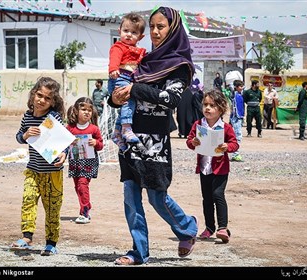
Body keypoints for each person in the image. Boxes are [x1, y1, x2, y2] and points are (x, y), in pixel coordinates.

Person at [108, 6, 198, 265]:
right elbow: (121, 93)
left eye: (162, 26)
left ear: (173, 29)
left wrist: (135, 89)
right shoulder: (142, 60)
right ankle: (139, 251)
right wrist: (115, 98)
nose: (156, 32)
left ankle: (187, 228)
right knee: (131, 196)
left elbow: (170, 99)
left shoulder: (179, 65)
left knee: (157, 196)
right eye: (153, 27)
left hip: (155, 142)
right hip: (130, 136)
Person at [12, 76, 67, 256]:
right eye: (39, 95)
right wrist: (26, 134)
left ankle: (51, 243)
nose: (42, 100)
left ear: (53, 102)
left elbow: (64, 140)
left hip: (53, 173)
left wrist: (63, 153)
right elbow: (19, 136)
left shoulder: (53, 117)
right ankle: (27, 237)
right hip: (33, 170)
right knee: (28, 201)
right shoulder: (27, 117)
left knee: (52, 209)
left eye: (47, 98)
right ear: (33, 94)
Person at [186, 89, 239, 243]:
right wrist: (193, 142)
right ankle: (209, 227)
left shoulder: (226, 127)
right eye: (205, 105)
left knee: (218, 194)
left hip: (220, 168)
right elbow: (189, 141)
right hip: (204, 168)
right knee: (207, 198)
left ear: (221, 109)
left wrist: (227, 147)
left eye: (212, 105)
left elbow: (234, 143)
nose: (207, 108)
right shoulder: (198, 125)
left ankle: (222, 228)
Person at [108, 13, 147, 150]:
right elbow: (115, 58)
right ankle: (126, 128)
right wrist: (113, 69)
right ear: (119, 31)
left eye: (134, 32)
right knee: (127, 101)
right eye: (126, 31)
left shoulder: (140, 51)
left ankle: (117, 132)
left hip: (130, 79)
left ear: (141, 36)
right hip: (119, 77)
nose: (129, 35)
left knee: (130, 104)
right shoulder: (119, 46)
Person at [66, 97, 104, 224]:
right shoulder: (70, 128)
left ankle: (85, 212)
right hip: (75, 161)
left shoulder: (94, 129)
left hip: (89, 161)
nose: (87, 112)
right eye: (83, 109)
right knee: (77, 186)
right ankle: (86, 205)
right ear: (76, 110)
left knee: (83, 185)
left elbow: (101, 145)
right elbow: (64, 144)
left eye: (89, 110)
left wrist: (95, 142)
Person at [229, 80, 245, 162]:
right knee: (237, 136)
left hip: (239, 117)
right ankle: (235, 154)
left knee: (237, 135)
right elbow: (231, 95)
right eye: (240, 86)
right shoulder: (234, 95)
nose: (242, 88)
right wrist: (232, 88)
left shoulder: (240, 95)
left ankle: (235, 153)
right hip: (235, 117)